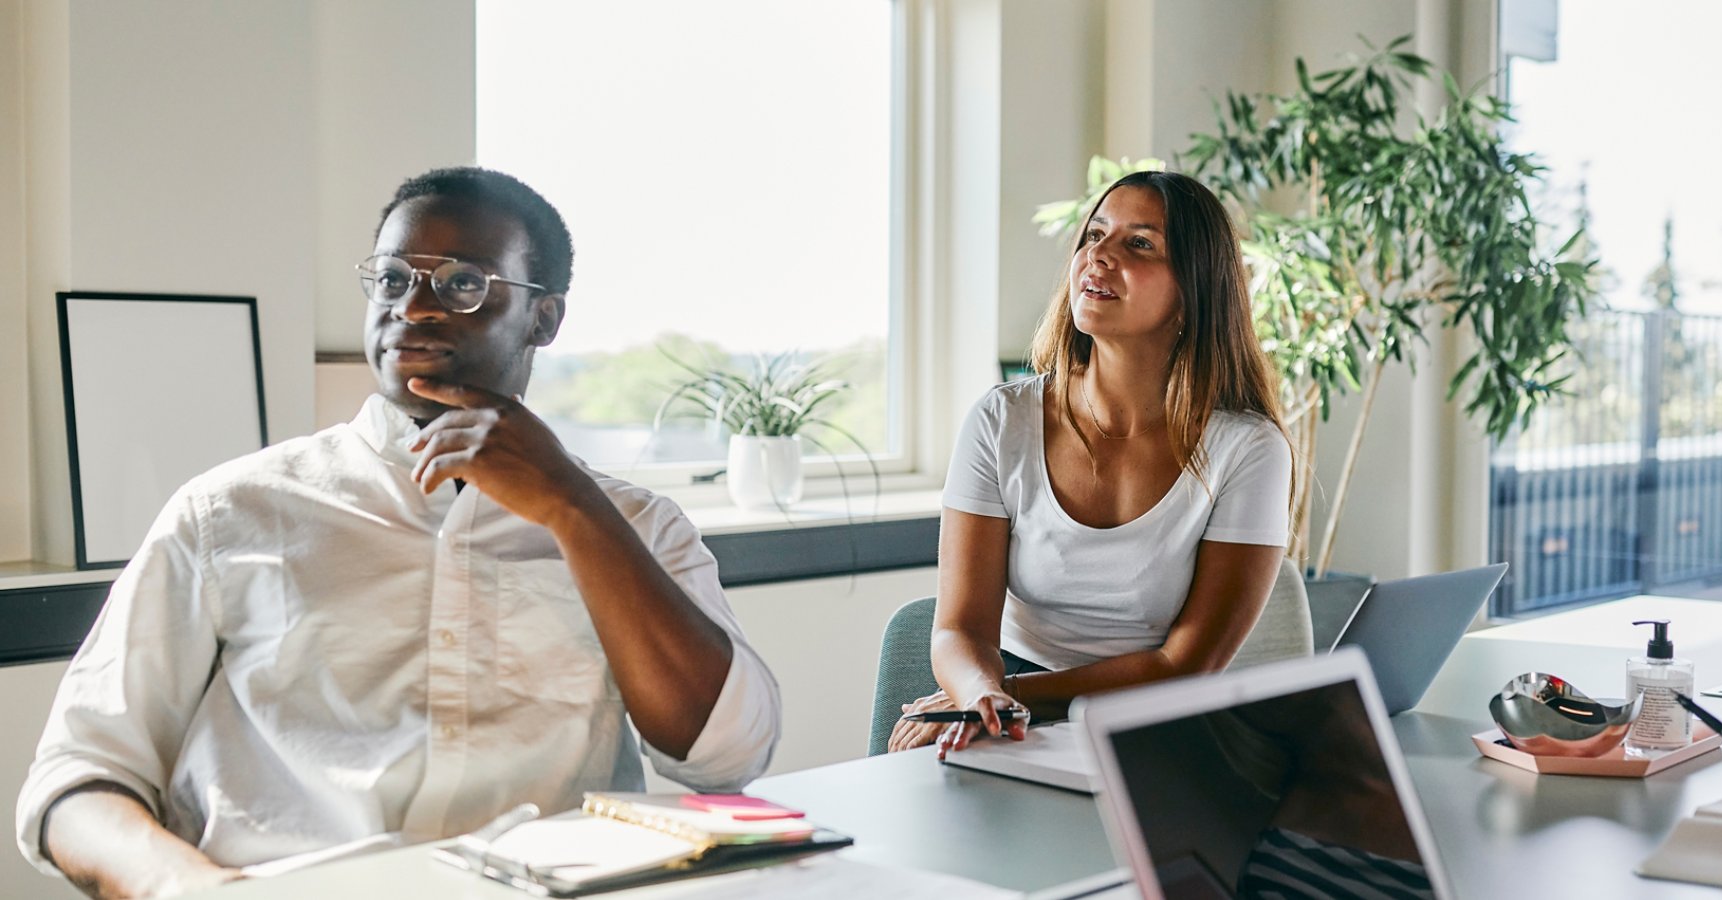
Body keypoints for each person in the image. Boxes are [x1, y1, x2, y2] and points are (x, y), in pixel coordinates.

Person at [15, 167, 782, 898]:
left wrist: (573, 509)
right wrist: (188, 889)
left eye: (461, 283)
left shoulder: (638, 525)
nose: (412, 307)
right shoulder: (229, 513)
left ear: (543, 317)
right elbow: (77, 779)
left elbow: (726, 756)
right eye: (390, 279)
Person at [888, 171, 1292, 756]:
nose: (1098, 255)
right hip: (1011, 707)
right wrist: (981, 696)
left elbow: (1186, 665)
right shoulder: (1002, 421)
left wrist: (1017, 694)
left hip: (1160, 720)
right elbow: (959, 629)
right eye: (1095, 234)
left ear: (1193, 289)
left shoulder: (1248, 449)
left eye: (1140, 243)